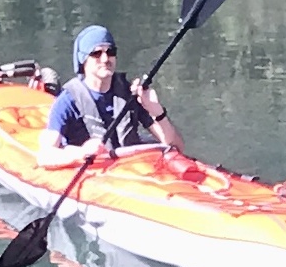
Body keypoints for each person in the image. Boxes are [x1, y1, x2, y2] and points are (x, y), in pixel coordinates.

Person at [38, 24, 183, 168]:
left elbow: (176, 146)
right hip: (93, 174)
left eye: (110, 52)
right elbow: (44, 157)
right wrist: (81, 153)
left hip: (131, 170)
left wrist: (156, 110)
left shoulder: (131, 95)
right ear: (83, 60)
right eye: (96, 53)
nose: (105, 58)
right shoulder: (67, 101)